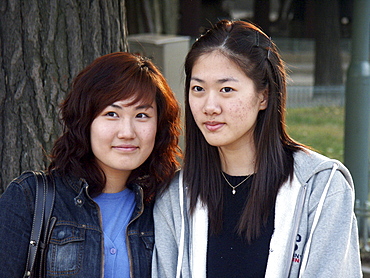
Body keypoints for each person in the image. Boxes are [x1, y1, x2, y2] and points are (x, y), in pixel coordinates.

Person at [152, 20, 362, 278]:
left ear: (263, 96)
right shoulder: (176, 197)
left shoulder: (319, 187)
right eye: (198, 89)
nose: (209, 106)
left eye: (226, 89)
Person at [0, 52, 181, 277]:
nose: (127, 132)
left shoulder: (168, 206)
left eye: (142, 115)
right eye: (112, 113)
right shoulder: (29, 199)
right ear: (86, 121)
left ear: (159, 126)